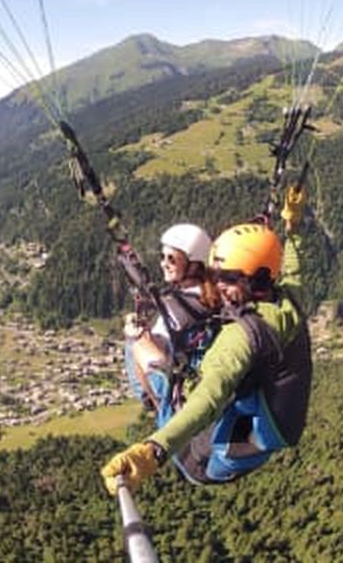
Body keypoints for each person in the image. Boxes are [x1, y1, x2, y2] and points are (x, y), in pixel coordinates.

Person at [102, 187, 312, 494]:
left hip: (203, 461)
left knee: (138, 346)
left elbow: (210, 395)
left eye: (226, 277)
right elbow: (293, 267)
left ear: (253, 280)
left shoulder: (242, 337)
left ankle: (155, 403)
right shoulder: (283, 300)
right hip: (270, 418)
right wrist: (293, 224)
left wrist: (155, 449)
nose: (218, 284)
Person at [123, 223, 221, 429]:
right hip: (197, 373)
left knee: (136, 343)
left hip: (174, 390)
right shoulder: (214, 295)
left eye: (171, 259)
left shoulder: (177, 307)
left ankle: (158, 405)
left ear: (193, 265)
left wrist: (135, 335)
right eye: (162, 256)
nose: (163, 264)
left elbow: (156, 353)